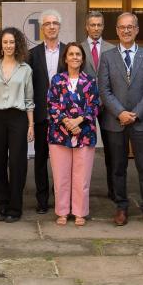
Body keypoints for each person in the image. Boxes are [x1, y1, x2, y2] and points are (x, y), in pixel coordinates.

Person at [98, 12, 143, 228]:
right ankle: (121, 207)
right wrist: (120, 113)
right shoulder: (107, 57)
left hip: (142, 121)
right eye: (122, 27)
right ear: (117, 31)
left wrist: (135, 114)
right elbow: (104, 90)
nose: (126, 30)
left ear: (136, 30)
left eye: (130, 27)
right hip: (115, 122)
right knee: (118, 167)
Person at [0, 27, 34, 223]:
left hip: (18, 118)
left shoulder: (25, 69)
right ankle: (1, 205)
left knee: (17, 163)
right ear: (0, 45)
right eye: (5, 42)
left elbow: (29, 100)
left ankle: (15, 207)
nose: (9, 45)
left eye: (12, 42)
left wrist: (31, 125)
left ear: (17, 44)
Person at [47, 42, 99, 227]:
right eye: (71, 54)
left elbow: (94, 106)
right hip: (59, 135)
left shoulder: (90, 81)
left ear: (83, 59)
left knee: (81, 177)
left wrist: (78, 122)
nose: (75, 57)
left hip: (84, 134)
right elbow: (52, 104)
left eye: (78, 54)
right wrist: (67, 123)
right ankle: (62, 211)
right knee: (61, 176)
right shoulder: (57, 80)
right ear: (66, 58)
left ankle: (79, 212)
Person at [27, 10, 66, 214]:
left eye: (55, 23)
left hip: (65, 117)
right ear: (41, 28)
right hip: (42, 115)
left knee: (62, 162)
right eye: (47, 24)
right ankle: (42, 200)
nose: (51, 27)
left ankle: (61, 198)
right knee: (41, 160)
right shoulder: (32, 54)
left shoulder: (69, 51)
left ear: (60, 27)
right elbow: (29, 87)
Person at [81, 11, 115, 200]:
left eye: (99, 25)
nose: (96, 28)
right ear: (87, 27)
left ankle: (114, 189)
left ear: (103, 26)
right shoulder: (78, 48)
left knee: (111, 149)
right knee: (78, 148)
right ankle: (75, 189)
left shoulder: (112, 49)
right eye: (92, 25)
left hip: (107, 105)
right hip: (83, 107)